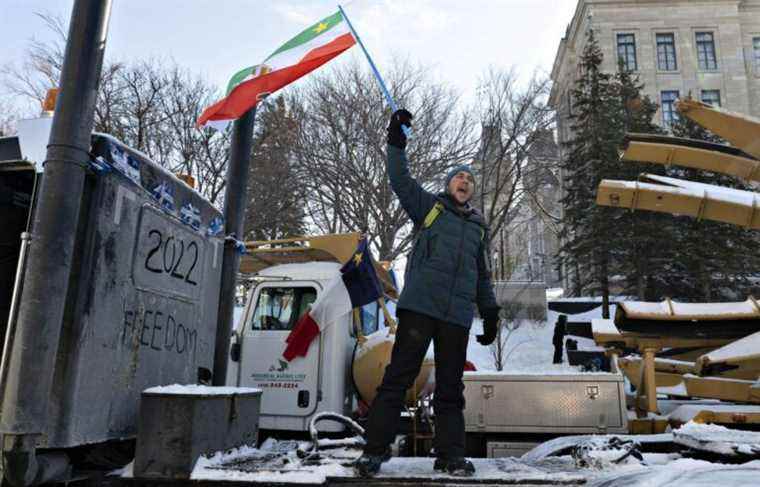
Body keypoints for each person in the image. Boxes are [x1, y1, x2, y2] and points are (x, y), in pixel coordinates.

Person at [355, 109, 501, 477]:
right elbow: (400, 180)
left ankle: (450, 456)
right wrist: (396, 141)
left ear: (472, 189)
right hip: (420, 309)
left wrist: (491, 312)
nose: (464, 181)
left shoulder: (478, 229)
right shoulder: (430, 209)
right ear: (450, 185)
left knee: (451, 388)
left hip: (455, 317)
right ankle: (373, 452)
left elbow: (482, 276)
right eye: (458, 177)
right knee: (398, 378)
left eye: (469, 178)